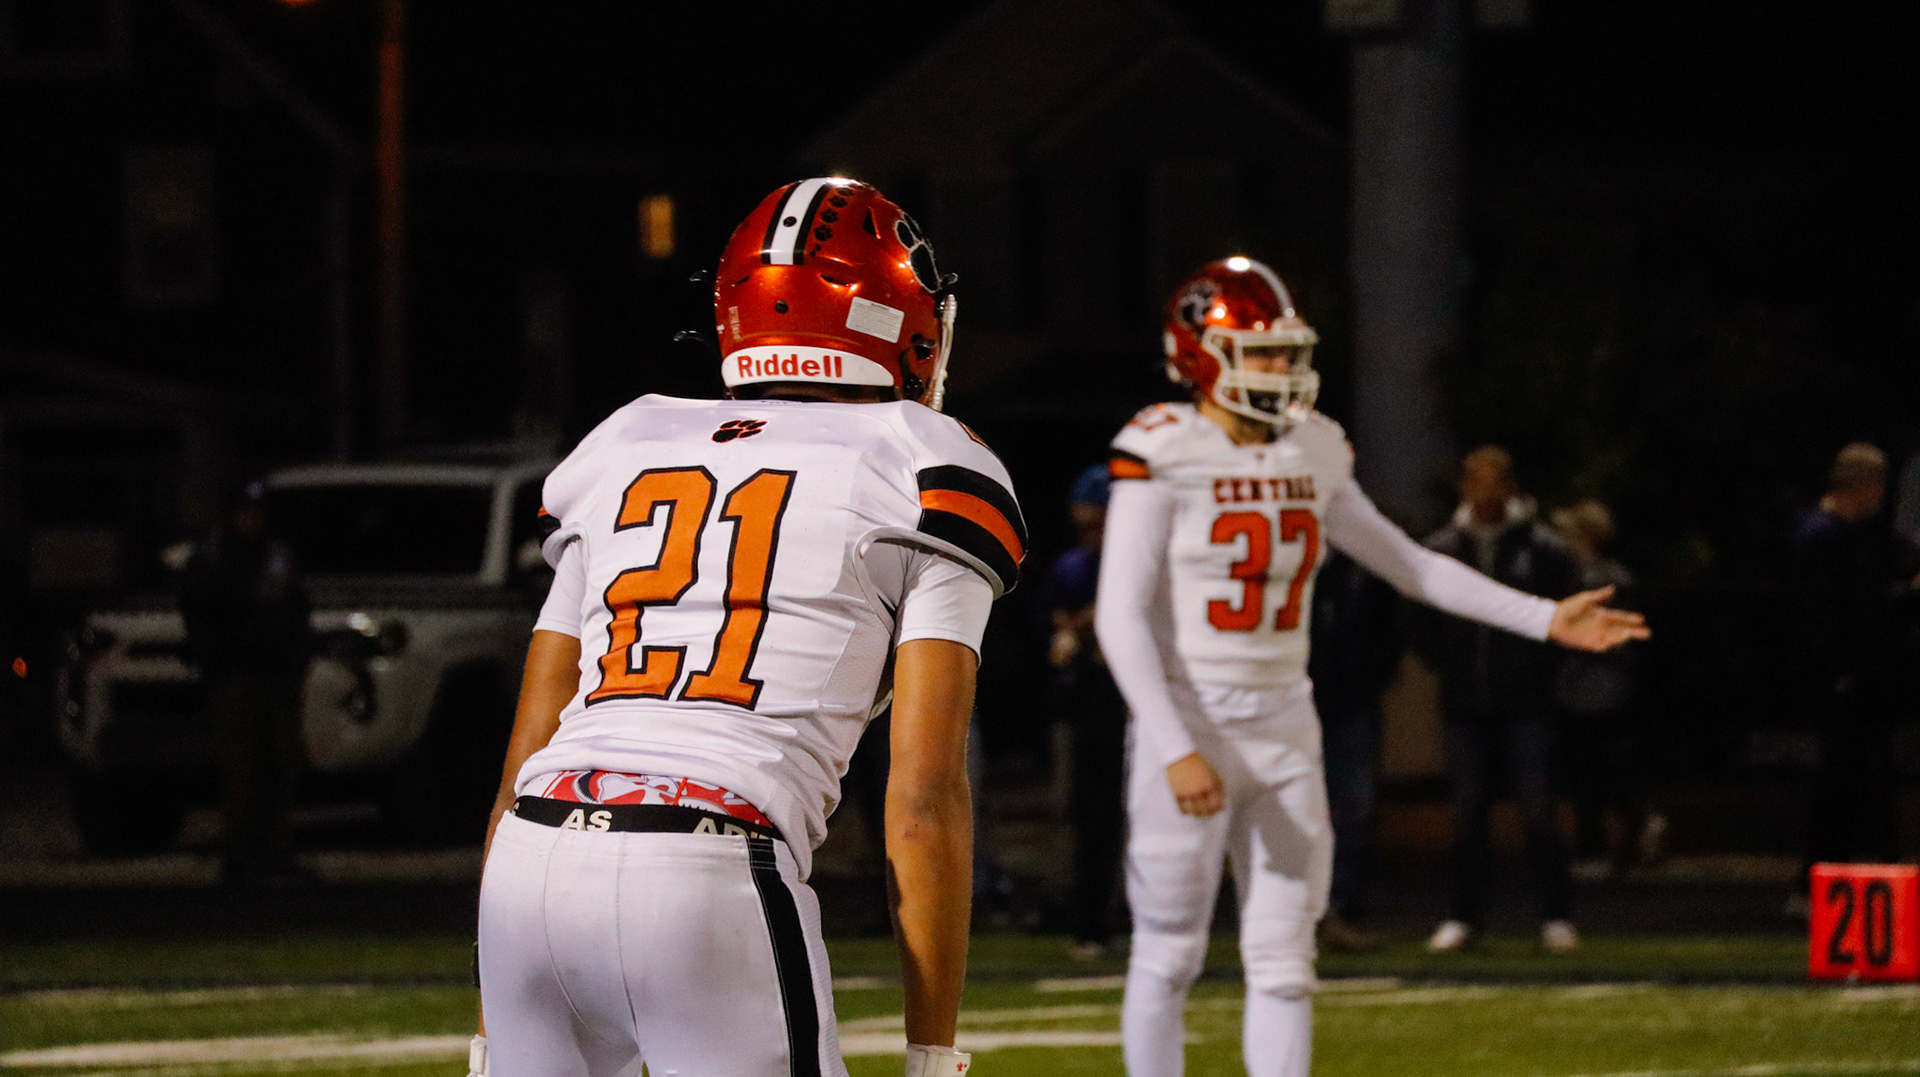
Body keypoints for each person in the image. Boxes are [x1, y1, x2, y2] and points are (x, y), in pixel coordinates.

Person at [472, 178, 1022, 1077]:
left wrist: (493, 1029)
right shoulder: (923, 463)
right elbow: (922, 798)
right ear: (903, 324)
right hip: (708, 862)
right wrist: (932, 1051)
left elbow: (523, 755)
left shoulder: (625, 442)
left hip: (531, 861)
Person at [1094, 257, 1648, 1077]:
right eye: (1261, 351)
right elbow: (1120, 614)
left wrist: (1542, 617)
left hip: (1285, 720)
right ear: (1201, 355)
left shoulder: (1313, 448)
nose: (1280, 367)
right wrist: (1174, 743)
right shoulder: (1162, 448)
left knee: (1286, 960)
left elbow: (1410, 564)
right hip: (1193, 713)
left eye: (1286, 351)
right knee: (1169, 950)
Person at [1416, 446, 1583, 954]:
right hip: (1466, 702)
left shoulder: (1544, 549)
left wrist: (1534, 671)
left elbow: (1563, 616)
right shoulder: (1443, 547)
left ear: (1510, 487)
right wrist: (1450, 664)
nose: (1483, 491)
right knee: (1467, 814)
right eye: (1475, 480)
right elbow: (1418, 618)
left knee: (1538, 810)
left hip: (1526, 703)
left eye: (1493, 482)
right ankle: (1464, 916)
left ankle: (1556, 915)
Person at [1789, 443, 1920, 888]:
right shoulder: (1823, 537)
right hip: (1842, 679)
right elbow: (1839, 614)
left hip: (1849, 676)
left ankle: (1838, 877)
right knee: (1843, 780)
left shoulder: (1837, 534)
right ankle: (1824, 879)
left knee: (1853, 780)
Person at [179, 480, 311, 886]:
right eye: (244, 511)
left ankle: (278, 853)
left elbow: (298, 608)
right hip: (236, 679)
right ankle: (238, 855)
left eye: (256, 512)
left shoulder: (277, 557)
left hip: (278, 677)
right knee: (241, 770)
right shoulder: (211, 559)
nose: (251, 519)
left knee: (282, 767)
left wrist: (295, 659)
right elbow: (198, 616)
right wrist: (217, 664)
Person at [1040, 463, 1128, 958]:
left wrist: (1087, 623)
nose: (1092, 534)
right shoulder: (1075, 567)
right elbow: (1059, 641)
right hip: (1094, 702)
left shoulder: (1151, 561)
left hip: (1147, 702)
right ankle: (1093, 921)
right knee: (1091, 813)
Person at [1549, 498, 1662, 878]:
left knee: (1593, 769)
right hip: (1583, 686)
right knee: (1592, 768)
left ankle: (1597, 846)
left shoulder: (1602, 578)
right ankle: (1631, 824)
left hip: (1599, 687)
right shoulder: (1576, 573)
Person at [1306, 548, 1402, 951]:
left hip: (1353, 702)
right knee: (1293, 809)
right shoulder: (1292, 554)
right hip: (1297, 702)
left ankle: (1341, 909)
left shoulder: (1364, 562)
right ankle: (1296, 913)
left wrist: (1372, 676)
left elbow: (1392, 626)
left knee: (1354, 810)